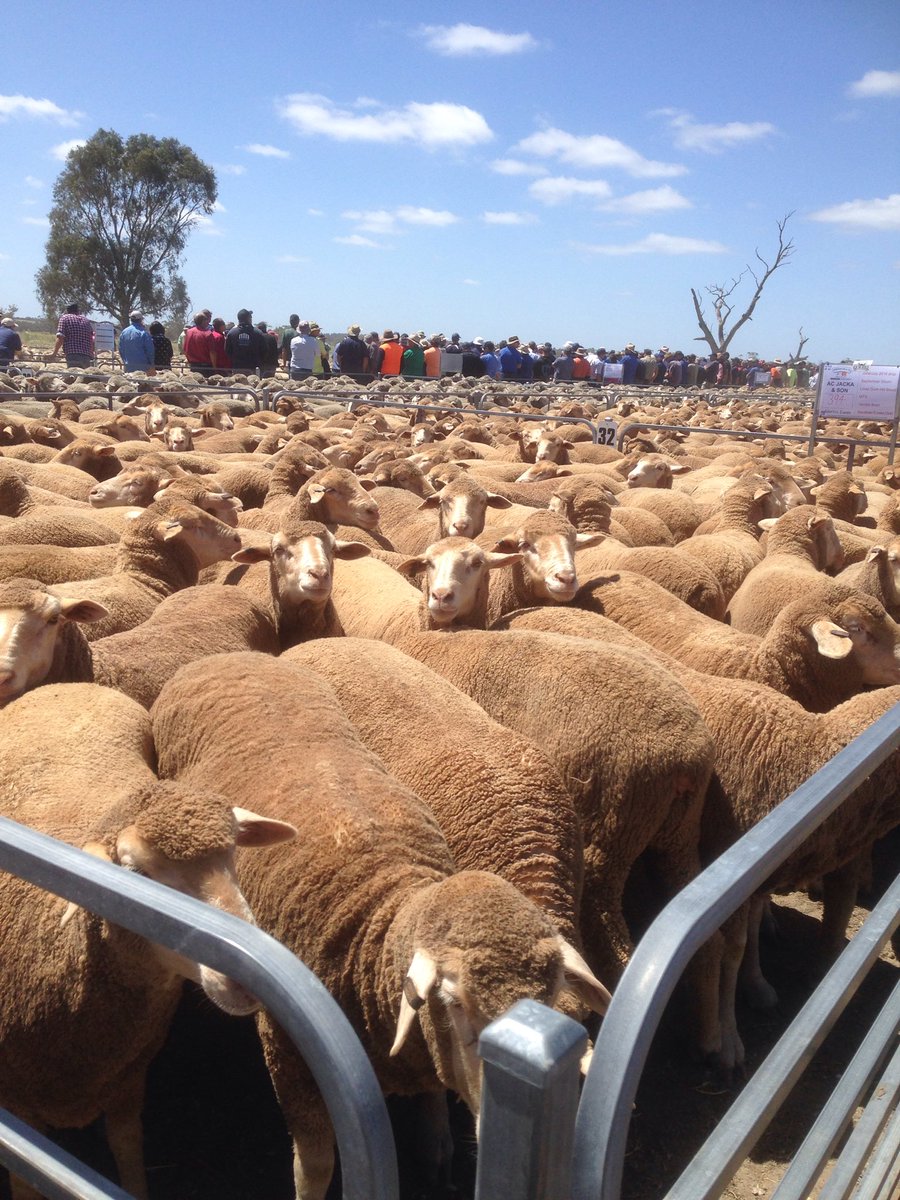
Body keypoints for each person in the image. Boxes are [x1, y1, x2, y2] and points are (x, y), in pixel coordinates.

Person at [225, 309, 268, 375]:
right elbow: (265, 351)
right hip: (253, 369)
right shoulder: (258, 333)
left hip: (237, 368)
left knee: (237, 385)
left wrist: (236, 360)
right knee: (253, 385)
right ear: (249, 319)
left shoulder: (231, 333)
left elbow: (227, 351)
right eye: (250, 317)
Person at [52, 303, 94, 368]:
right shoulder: (86, 320)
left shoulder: (65, 318)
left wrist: (54, 353)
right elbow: (91, 338)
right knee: (84, 377)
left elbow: (60, 337)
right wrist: (91, 354)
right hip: (87, 356)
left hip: (73, 355)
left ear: (67, 310)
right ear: (78, 310)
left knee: (74, 375)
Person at [183, 312, 218, 377]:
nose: (208, 322)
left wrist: (189, 360)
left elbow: (185, 350)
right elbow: (212, 352)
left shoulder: (188, 332)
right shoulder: (208, 334)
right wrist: (214, 367)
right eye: (206, 319)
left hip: (193, 366)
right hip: (206, 367)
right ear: (203, 321)